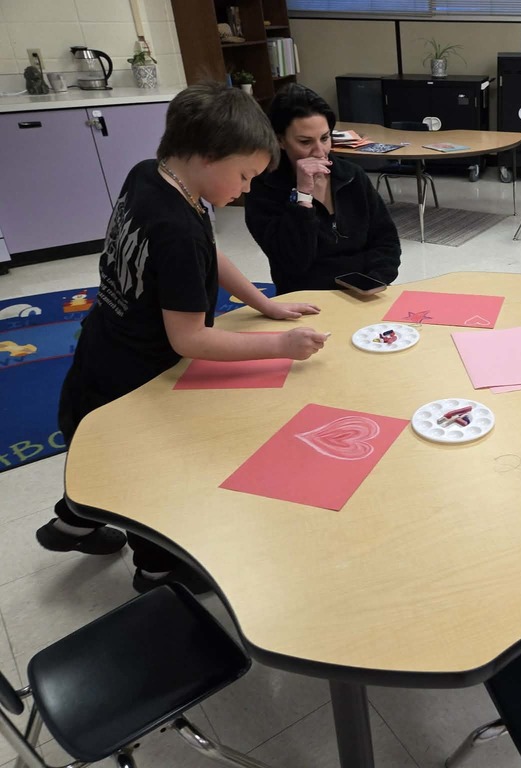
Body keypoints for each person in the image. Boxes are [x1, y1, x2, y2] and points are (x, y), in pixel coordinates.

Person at [36, 83, 328, 593]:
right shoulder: (177, 229)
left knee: (95, 452)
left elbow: (209, 252)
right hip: (135, 380)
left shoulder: (152, 175)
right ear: (208, 155)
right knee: (149, 476)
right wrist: (280, 345)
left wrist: (266, 304)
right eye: (243, 175)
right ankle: (157, 570)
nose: (244, 190)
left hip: (100, 346)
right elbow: (190, 339)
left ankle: (75, 521)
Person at [245, 84, 401, 293]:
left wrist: (373, 281)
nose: (320, 152)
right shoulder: (264, 187)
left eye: (325, 138)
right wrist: (303, 196)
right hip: (306, 298)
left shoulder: (352, 176)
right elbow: (291, 263)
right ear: (280, 141)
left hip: (365, 291)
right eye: (305, 142)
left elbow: (386, 241)